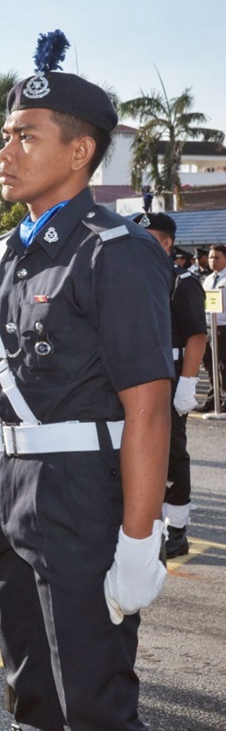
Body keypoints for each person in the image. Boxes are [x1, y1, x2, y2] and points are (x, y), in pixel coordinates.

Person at [0, 30, 171, 731]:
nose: (4, 154)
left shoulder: (113, 252)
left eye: (25, 137)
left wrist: (140, 539)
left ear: (79, 151)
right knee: (28, 688)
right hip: (5, 483)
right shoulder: (4, 254)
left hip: (79, 494)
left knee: (92, 700)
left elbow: (149, 410)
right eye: (6, 137)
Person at [132, 204, 205, 558]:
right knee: (136, 449)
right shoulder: (129, 278)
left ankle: (176, 529)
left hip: (171, 374)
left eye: (145, 238)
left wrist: (187, 384)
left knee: (171, 452)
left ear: (166, 244)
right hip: (135, 374)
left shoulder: (182, 282)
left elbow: (197, 336)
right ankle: (146, 523)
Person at [195, 244, 226, 412]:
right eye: (211, 257)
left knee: (223, 365)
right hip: (208, 326)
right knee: (210, 365)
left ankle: (224, 398)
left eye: (217, 257)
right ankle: (214, 398)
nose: (213, 260)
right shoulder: (208, 279)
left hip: (223, 327)